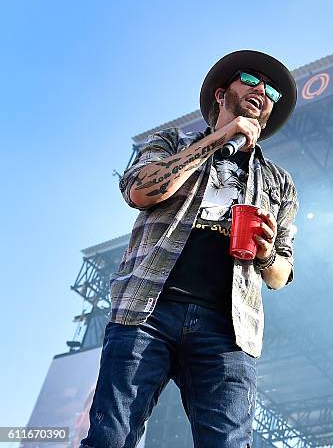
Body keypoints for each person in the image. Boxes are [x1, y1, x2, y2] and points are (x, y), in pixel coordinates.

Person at [80, 50, 299, 448]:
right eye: (252, 79)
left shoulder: (279, 182)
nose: (262, 91)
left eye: (271, 91)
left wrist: (267, 253)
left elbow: (282, 275)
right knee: (110, 439)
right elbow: (141, 191)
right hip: (147, 310)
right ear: (221, 94)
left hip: (228, 329)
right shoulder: (169, 142)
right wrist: (220, 139)